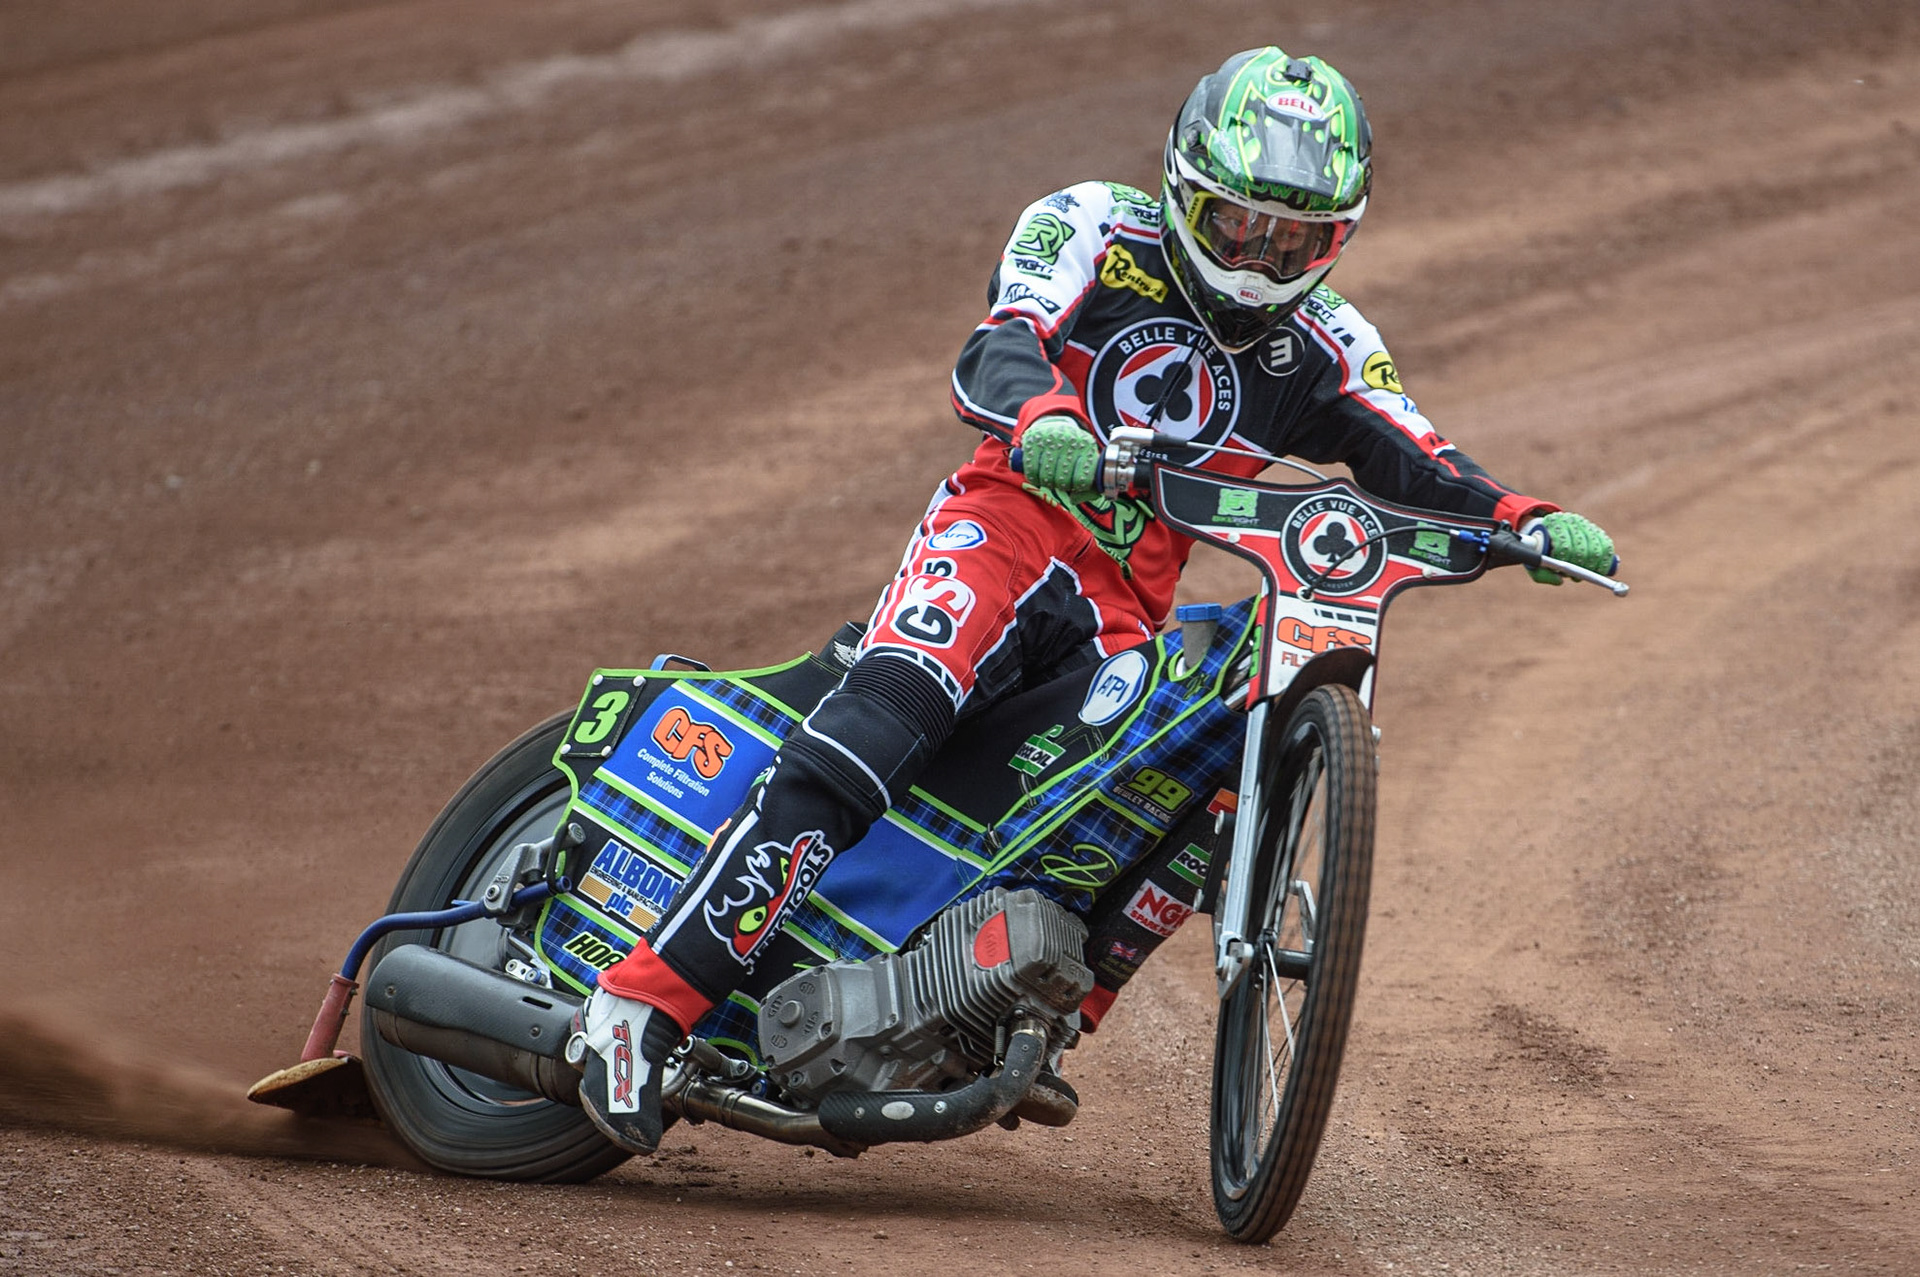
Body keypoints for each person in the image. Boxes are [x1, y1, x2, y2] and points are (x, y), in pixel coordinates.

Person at [569, 46, 1617, 1153]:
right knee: (878, 732)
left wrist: (1520, 519)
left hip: (1120, 609)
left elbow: (1418, 456)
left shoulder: (1330, 347)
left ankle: (1030, 1013)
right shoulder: (1090, 224)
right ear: (1180, 183)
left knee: (1178, 782)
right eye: (1234, 225)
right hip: (1004, 535)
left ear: (1338, 237)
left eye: (1293, 239)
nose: (1260, 258)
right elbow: (997, 346)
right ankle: (639, 1001)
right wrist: (1046, 421)